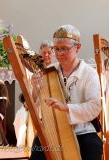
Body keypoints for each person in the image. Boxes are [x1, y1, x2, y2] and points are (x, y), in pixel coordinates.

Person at [30, 25, 103, 160]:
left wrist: (66, 108)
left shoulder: (89, 73)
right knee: (38, 149)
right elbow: (36, 105)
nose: (59, 53)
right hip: (54, 130)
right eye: (56, 49)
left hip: (83, 130)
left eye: (64, 48)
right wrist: (35, 88)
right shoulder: (50, 71)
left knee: (93, 146)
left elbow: (94, 107)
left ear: (78, 47)